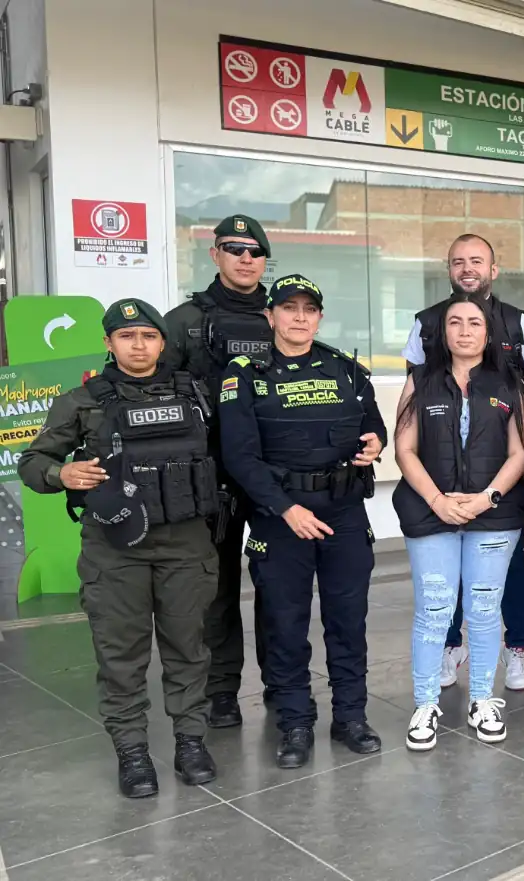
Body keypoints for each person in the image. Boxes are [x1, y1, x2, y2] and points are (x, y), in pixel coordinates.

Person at [19, 299, 222, 797]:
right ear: (109, 343)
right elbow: (33, 460)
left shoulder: (195, 392)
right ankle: (131, 751)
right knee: (121, 655)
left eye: (148, 336)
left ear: (161, 342)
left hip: (186, 542)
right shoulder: (82, 400)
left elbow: (231, 450)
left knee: (188, 649)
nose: (139, 345)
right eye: (126, 336)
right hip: (116, 549)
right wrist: (59, 472)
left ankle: (190, 741)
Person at [220, 274, 387, 769]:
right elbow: (239, 456)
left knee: (347, 620)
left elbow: (372, 422)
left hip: (343, 513)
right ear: (269, 316)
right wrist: (285, 509)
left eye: (308, 309)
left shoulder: (345, 369)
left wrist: (376, 442)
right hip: (281, 517)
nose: (298, 317)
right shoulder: (244, 374)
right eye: (288, 308)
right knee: (285, 624)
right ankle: (294, 722)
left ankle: (351, 716)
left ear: (319, 316)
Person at [403, 234, 524, 693]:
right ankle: (450, 646)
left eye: (477, 261)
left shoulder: (515, 321)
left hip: (498, 466)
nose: (468, 268)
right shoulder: (425, 323)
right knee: (442, 581)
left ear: (493, 269)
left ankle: (517, 645)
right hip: (439, 474)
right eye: (458, 261)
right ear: (448, 269)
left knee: (511, 568)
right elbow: (416, 397)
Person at [393, 293, 524, 750]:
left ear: (488, 332)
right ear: (444, 332)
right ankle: (425, 702)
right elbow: (404, 449)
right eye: (455, 322)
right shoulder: (421, 381)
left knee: (484, 610)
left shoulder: (509, 383)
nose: (465, 330)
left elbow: (521, 454)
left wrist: (485, 499)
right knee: (434, 610)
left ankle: (482, 700)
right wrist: (437, 500)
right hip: (430, 513)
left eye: (475, 322)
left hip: (493, 517)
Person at [166, 214, 275, 730]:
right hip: (209, 480)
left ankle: (283, 684)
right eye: (234, 249)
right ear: (215, 255)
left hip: (274, 477)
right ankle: (221, 692)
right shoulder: (183, 320)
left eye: (254, 251)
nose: (245, 258)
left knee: (280, 586)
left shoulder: (285, 315)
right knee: (217, 591)